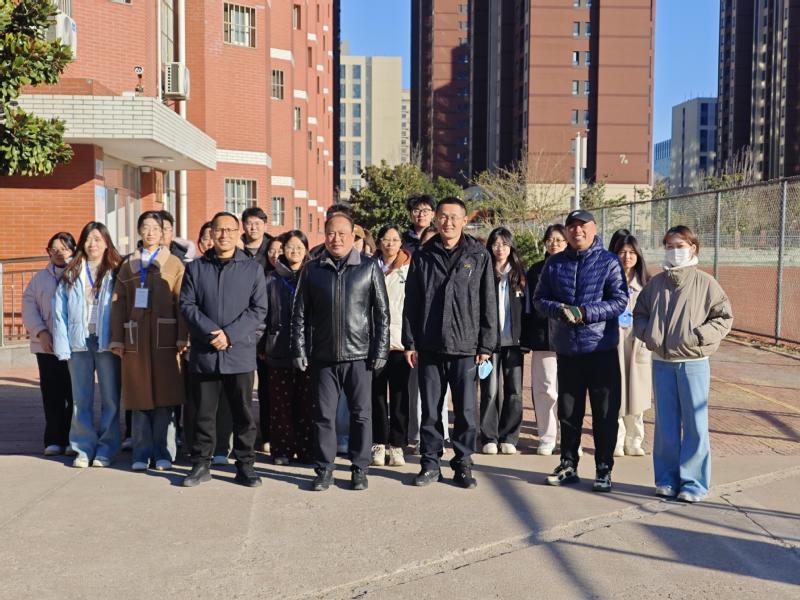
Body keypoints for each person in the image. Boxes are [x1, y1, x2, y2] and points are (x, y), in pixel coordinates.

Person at [403, 197, 497, 489]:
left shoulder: (478, 255)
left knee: (466, 411)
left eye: (455, 217)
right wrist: (410, 341)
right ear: (436, 219)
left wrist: (486, 345)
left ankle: (463, 463)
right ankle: (430, 464)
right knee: (430, 410)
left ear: (465, 220)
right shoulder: (423, 255)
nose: (449, 222)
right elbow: (412, 301)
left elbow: (488, 301)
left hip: (466, 345)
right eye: (443, 216)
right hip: (429, 345)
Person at [633, 225, 733, 503]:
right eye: (669, 246)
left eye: (680, 246)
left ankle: (694, 483)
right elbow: (639, 313)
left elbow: (723, 317)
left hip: (694, 363)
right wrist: (649, 334)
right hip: (662, 363)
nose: (674, 251)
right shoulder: (656, 284)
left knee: (695, 424)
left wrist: (699, 336)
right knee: (665, 425)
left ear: (693, 248)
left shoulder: (706, 283)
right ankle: (666, 479)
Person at [291, 213, 390, 492]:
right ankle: (324, 469)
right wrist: (299, 348)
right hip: (323, 357)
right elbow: (299, 313)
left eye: (342, 234)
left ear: (353, 236)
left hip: (359, 356)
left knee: (361, 415)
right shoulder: (312, 269)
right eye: (331, 234)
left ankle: (359, 468)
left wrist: (380, 350)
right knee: (324, 416)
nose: (336, 239)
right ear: (325, 236)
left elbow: (382, 313)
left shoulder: (368, 267)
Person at [533, 209, 628, 492]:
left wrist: (585, 312)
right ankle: (568, 464)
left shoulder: (609, 261)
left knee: (605, 414)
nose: (577, 231)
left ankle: (604, 469)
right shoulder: (555, 263)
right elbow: (539, 299)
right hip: (567, 351)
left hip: (601, 349)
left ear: (594, 228)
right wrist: (559, 310)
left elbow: (619, 300)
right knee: (569, 413)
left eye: (582, 225)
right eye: (572, 226)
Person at [179, 211, 268, 488]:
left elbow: (258, 309)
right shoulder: (196, 268)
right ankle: (200, 464)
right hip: (205, 353)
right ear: (211, 233)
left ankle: (245, 465)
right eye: (219, 230)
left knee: (243, 414)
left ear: (238, 232)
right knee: (203, 413)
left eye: (229, 229)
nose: (224, 235)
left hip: (239, 353)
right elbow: (187, 305)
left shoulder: (251, 268)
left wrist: (229, 335)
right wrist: (211, 333)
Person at [109, 211, 187, 471]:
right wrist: (117, 339)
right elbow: (118, 304)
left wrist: (182, 336)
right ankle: (141, 454)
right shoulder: (128, 264)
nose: (151, 232)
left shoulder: (174, 263)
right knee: (138, 396)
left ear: (163, 232)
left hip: (165, 339)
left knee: (165, 397)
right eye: (146, 227)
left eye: (156, 228)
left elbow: (182, 302)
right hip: (135, 339)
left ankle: (164, 452)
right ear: (139, 231)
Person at [52, 222, 122, 468]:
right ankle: (83, 448)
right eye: (88, 239)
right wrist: (62, 345)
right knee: (80, 399)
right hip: (79, 342)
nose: (92, 244)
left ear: (107, 243)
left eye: (97, 239)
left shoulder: (117, 271)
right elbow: (58, 311)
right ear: (82, 243)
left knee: (110, 398)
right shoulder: (71, 272)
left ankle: (106, 449)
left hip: (106, 341)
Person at [260, 230, 315, 465]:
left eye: (299, 247)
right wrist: (262, 345)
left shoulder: (314, 276)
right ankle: (282, 449)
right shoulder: (270, 278)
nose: (295, 251)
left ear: (306, 250)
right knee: (280, 403)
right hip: (277, 346)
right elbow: (262, 315)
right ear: (282, 250)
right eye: (290, 247)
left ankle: (306, 449)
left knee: (307, 401)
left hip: (308, 349)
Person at [22, 232, 77, 457]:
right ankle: (54, 439)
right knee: (52, 393)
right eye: (54, 249)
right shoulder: (39, 279)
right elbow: (28, 307)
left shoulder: (80, 274)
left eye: (64, 248)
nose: (59, 253)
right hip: (46, 346)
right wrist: (41, 332)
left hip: (75, 347)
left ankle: (74, 439)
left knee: (74, 394)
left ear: (73, 250)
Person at [480, 227, 526, 456]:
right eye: (496, 244)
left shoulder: (519, 273)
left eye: (504, 244)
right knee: (490, 390)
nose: (500, 249)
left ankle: (509, 436)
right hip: (489, 343)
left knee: (514, 391)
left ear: (511, 247)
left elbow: (527, 310)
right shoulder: (484, 271)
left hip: (514, 343)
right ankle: (489, 436)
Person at [521, 225, 566, 455]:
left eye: (559, 239)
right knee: (545, 390)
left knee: (568, 391)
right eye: (550, 240)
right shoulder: (536, 270)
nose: (554, 244)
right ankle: (547, 437)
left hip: (570, 339)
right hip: (543, 338)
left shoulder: (575, 266)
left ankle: (569, 438)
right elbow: (528, 307)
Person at [370, 224, 412, 467]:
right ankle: (378, 443)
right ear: (379, 242)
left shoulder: (409, 268)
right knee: (375, 395)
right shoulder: (369, 266)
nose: (390, 244)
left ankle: (397, 445)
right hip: (374, 342)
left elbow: (413, 306)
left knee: (399, 396)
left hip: (399, 342)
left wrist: (410, 341)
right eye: (386, 239)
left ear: (401, 243)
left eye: (395, 240)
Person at [609, 231, 652, 457]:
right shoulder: (607, 281)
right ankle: (616, 440)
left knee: (637, 392)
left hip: (637, 343)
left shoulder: (647, 284)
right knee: (615, 393)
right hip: (613, 342)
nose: (627, 257)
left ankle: (634, 440)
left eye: (632, 252)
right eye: (622, 252)